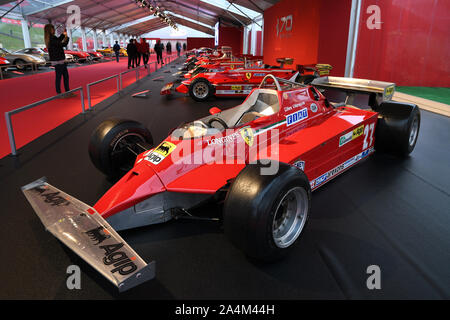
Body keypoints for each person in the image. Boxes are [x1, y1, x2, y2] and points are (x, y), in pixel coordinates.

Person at [44, 24, 74, 97]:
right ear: (50, 30)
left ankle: (66, 92)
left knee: (63, 76)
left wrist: (63, 35)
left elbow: (58, 40)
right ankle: (60, 93)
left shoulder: (51, 38)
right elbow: (62, 44)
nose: (54, 30)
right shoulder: (51, 39)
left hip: (59, 60)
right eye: (53, 28)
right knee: (60, 77)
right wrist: (67, 38)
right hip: (58, 60)